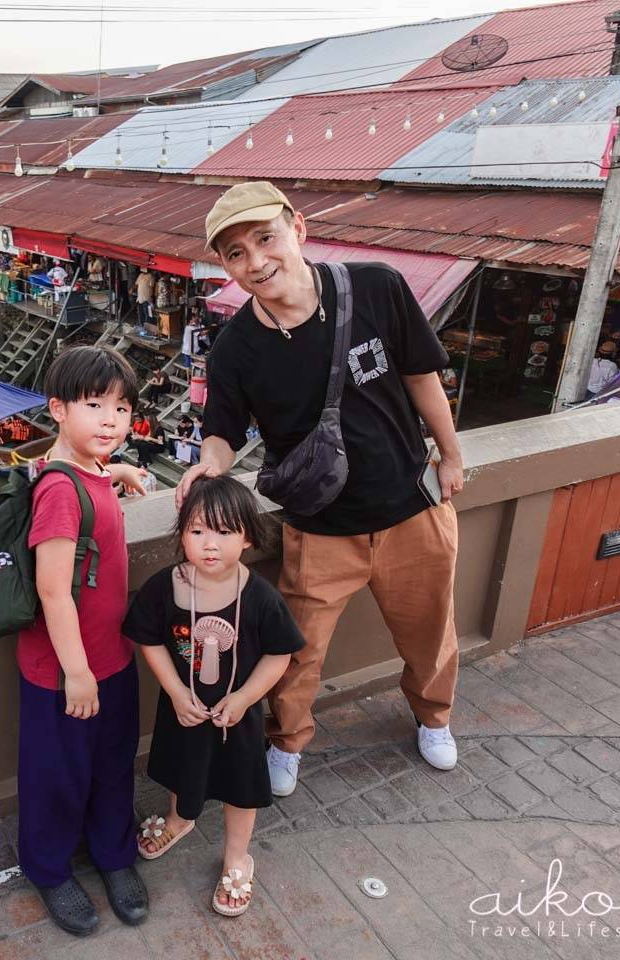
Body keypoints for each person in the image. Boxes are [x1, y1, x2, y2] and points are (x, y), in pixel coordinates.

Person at [179, 181, 465, 800]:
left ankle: (434, 716)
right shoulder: (234, 348)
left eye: (264, 238)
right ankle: (287, 741)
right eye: (234, 253)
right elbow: (224, 432)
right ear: (223, 265)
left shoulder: (377, 287)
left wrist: (451, 454)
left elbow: (422, 377)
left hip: (412, 507)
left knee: (430, 628)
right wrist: (208, 465)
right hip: (317, 524)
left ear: (297, 229)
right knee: (296, 651)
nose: (255, 261)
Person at [125, 475, 304, 917]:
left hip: (236, 716)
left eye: (225, 532)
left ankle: (237, 857)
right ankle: (180, 819)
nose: (210, 543)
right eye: (198, 530)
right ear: (181, 533)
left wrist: (244, 697)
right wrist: (174, 689)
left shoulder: (260, 597)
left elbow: (279, 656)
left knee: (240, 789)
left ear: (247, 537)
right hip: (183, 708)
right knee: (181, 769)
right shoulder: (164, 587)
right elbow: (149, 640)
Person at [18, 345, 148, 937]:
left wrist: (114, 471)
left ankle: (113, 854)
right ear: (58, 409)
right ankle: (48, 867)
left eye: (120, 410)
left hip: (113, 659)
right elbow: (52, 590)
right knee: (60, 774)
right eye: (93, 405)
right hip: (65, 671)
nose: (109, 422)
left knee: (112, 766)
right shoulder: (58, 492)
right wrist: (75, 672)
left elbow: (80, 466)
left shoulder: (90, 472)